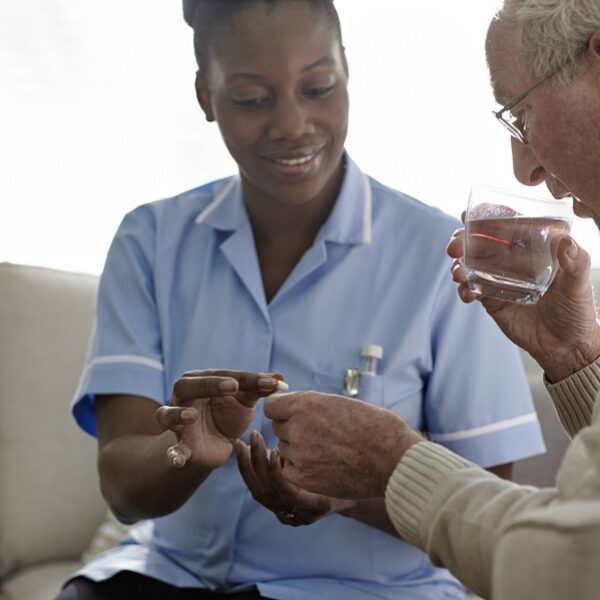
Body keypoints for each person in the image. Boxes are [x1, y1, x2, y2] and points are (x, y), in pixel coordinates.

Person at [59, 1, 545, 598]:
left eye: (318, 87)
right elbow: (123, 491)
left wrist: (351, 491)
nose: (293, 123)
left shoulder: (441, 255)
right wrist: (184, 447)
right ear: (204, 98)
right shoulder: (150, 241)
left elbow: (485, 514)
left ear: (347, 71)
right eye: (251, 99)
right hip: (165, 578)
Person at [263, 1, 600, 599]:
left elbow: (566, 563)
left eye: (520, 115)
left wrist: (392, 461)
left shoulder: (419, 240)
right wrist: (577, 361)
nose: (523, 168)